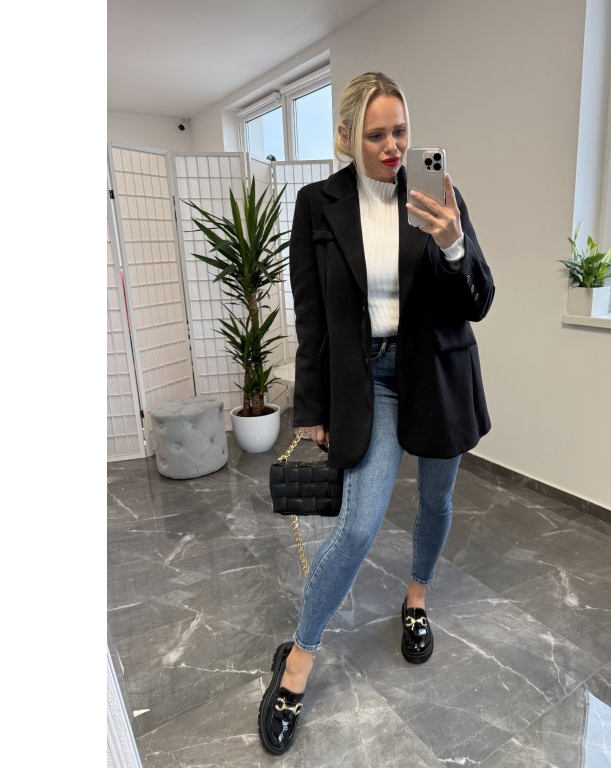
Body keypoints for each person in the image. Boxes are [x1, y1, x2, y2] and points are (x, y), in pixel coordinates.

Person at [257, 71, 495, 755]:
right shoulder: (317, 205)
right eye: (376, 135)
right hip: (369, 381)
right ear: (346, 137)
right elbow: (311, 315)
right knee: (358, 526)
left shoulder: (437, 196)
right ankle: (299, 659)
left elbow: (479, 300)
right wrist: (311, 406)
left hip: (437, 373)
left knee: (436, 502)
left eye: (401, 132)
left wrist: (453, 245)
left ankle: (416, 599)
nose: (393, 147)